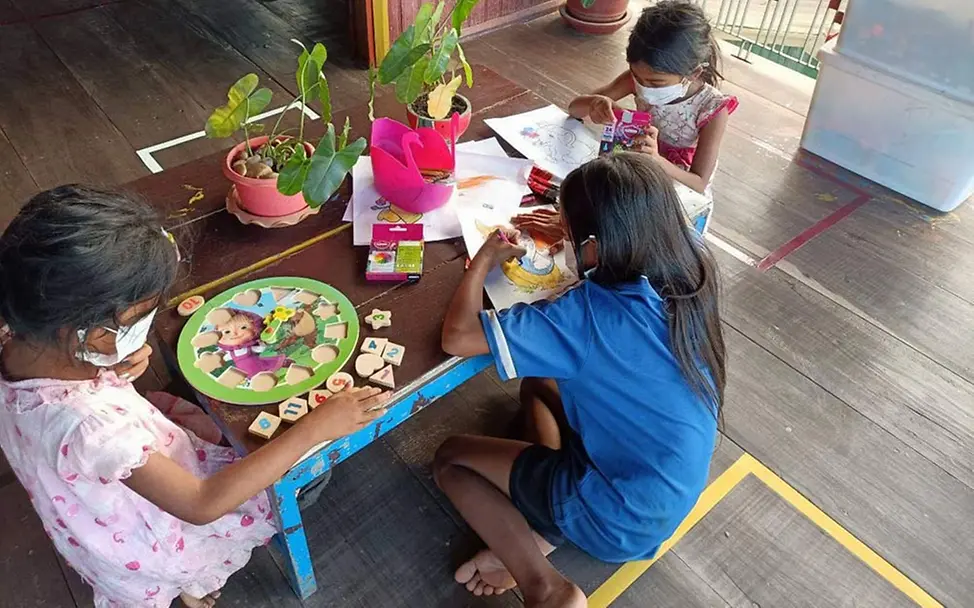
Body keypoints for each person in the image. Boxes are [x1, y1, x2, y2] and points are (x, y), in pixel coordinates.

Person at [0, 186, 389, 608]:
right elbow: (202, 504)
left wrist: (108, 358)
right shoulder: (96, 428)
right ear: (92, 334)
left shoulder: (17, 337)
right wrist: (316, 427)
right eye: (137, 321)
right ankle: (186, 577)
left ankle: (185, 583)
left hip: (85, 506)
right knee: (310, 475)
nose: (143, 330)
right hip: (151, 533)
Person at [434, 154, 726, 607]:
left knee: (451, 459)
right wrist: (577, 234)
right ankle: (543, 524)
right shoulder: (690, 274)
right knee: (536, 386)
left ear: (591, 247)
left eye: (569, 234)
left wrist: (485, 257)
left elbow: (457, 337)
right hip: (665, 487)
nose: (562, 239)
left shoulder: (583, 317)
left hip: (620, 516)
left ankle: (543, 585)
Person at [568, 0, 738, 195]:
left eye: (656, 83)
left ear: (693, 73)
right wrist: (593, 104)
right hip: (637, 173)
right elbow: (573, 109)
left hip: (674, 189)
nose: (644, 87)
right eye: (637, 76)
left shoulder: (712, 109)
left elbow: (698, 183)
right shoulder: (636, 80)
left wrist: (655, 158)